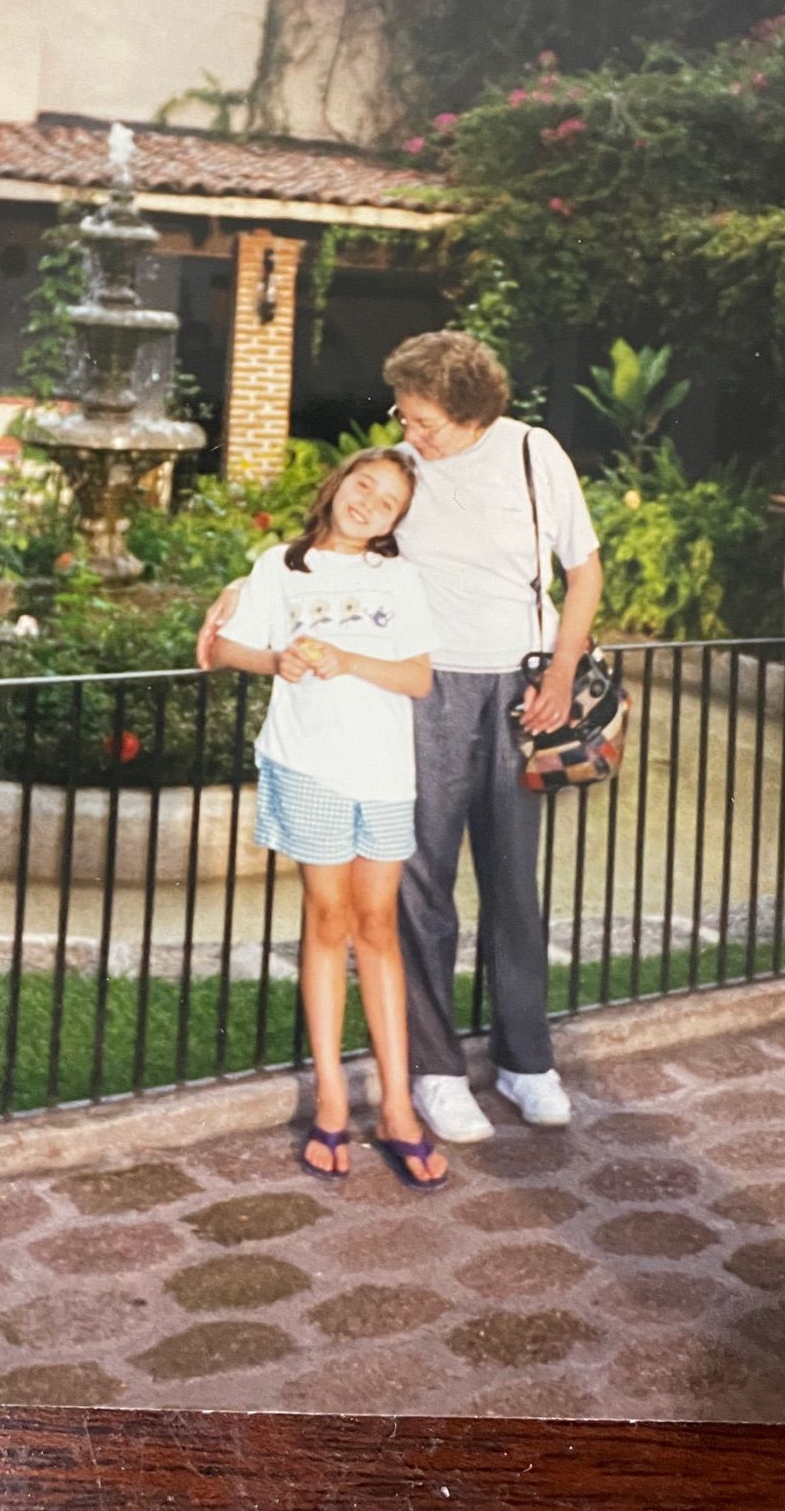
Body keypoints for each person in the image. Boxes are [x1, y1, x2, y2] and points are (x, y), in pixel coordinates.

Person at [200, 332, 602, 1146]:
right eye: (405, 415)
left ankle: (528, 1062)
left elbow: (583, 572)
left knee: (514, 883)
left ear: (470, 412)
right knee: (420, 887)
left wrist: (561, 674)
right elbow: (336, 539)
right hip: (425, 686)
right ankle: (438, 1071)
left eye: (424, 421)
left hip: (522, 683)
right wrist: (246, 582)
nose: (408, 432)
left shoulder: (534, 454)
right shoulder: (404, 471)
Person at [207, 445, 449, 1190]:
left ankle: (398, 1109)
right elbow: (223, 649)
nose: (369, 504)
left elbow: (417, 675)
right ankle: (334, 1102)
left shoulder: (398, 578)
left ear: (394, 525)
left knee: (378, 927)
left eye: (388, 504)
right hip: (307, 766)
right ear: (339, 483)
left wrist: (347, 660)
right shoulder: (279, 565)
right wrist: (274, 660)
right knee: (327, 921)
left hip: (382, 775)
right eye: (364, 485)